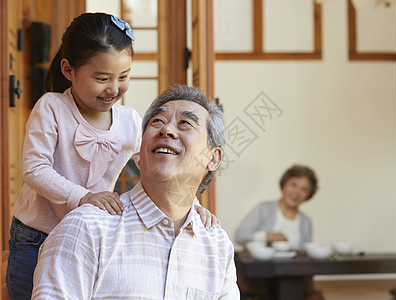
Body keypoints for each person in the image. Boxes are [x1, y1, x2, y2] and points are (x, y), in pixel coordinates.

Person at [7, 13, 216, 300]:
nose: (114, 88)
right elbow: (34, 168)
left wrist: (190, 203)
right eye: (102, 78)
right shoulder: (52, 107)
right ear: (68, 70)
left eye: (124, 76)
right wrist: (82, 197)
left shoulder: (129, 121)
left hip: (90, 235)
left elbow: (157, 166)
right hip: (36, 233)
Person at [31, 85, 240, 299]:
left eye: (185, 123)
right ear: (139, 155)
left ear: (213, 158)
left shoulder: (217, 245)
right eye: (157, 121)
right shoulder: (86, 228)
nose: (166, 130)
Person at [235, 164, 323, 300]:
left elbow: (305, 255)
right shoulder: (263, 209)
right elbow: (240, 235)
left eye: (304, 189)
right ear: (284, 186)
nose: (297, 192)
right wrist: (268, 236)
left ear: (308, 195)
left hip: (293, 276)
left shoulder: (306, 221)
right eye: (293, 185)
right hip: (261, 278)